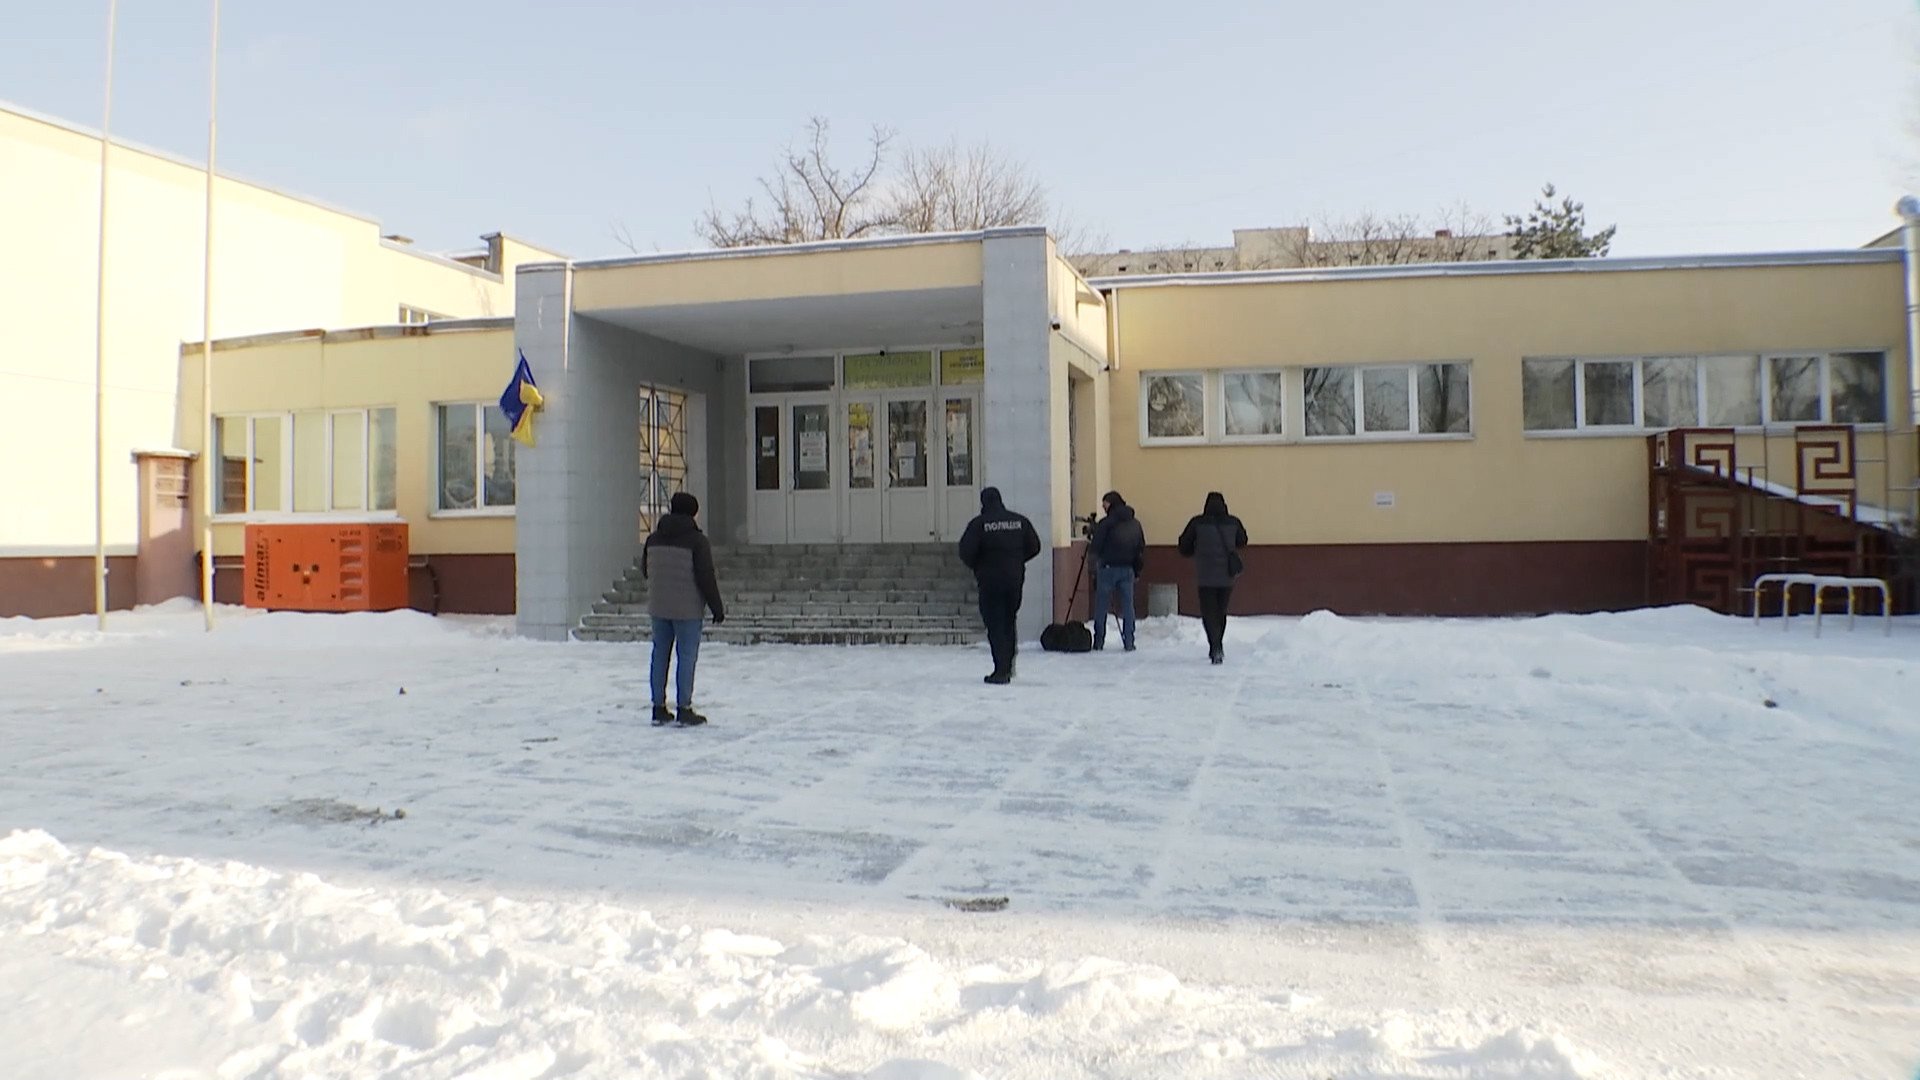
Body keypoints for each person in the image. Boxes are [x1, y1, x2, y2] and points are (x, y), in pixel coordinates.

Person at [642, 491, 725, 725]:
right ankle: (684, 707)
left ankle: (658, 707)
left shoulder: (653, 539)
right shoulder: (697, 542)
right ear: (692, 513)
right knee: (686, 657)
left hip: (659, 607)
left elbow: (646, 570)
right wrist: (716, 607)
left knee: (659, 655)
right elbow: (705, 576)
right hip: (687, 610)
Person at [957, 486, 1042, 684]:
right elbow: (1035, 546)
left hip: (990, 581)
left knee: (995, 624)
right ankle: (1009, 665)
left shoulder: (979, 524)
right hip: (1014, 580)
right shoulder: (1019, 521)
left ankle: (1001, 670)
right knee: (1009, 621)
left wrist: (979, 566)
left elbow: (966, 552)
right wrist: (1016, 560)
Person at [1177, 491, 1248, 665]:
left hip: (1205, 575)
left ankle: (1215, 646)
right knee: (1221, 611)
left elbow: (1184, 546)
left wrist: (1196, 549)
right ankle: (1218, 645)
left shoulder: (1197, 523)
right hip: (1227, 576)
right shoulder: (1233, 522)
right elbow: (1242, 540)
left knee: (1209, 612)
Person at [1087, 490, 1145, 652]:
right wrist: (1137, 570)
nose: (1103, 507)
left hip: (1107, 569)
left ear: (1111, 503)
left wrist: (1092, 569)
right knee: (1128, 606)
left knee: (1101, 606)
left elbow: (1095, 548)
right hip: (1128, 569)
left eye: (1104, 504)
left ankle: (1099, 641)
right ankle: (1129, 641)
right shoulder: (1135, 523)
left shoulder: (1106, 523)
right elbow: (1140, 549)